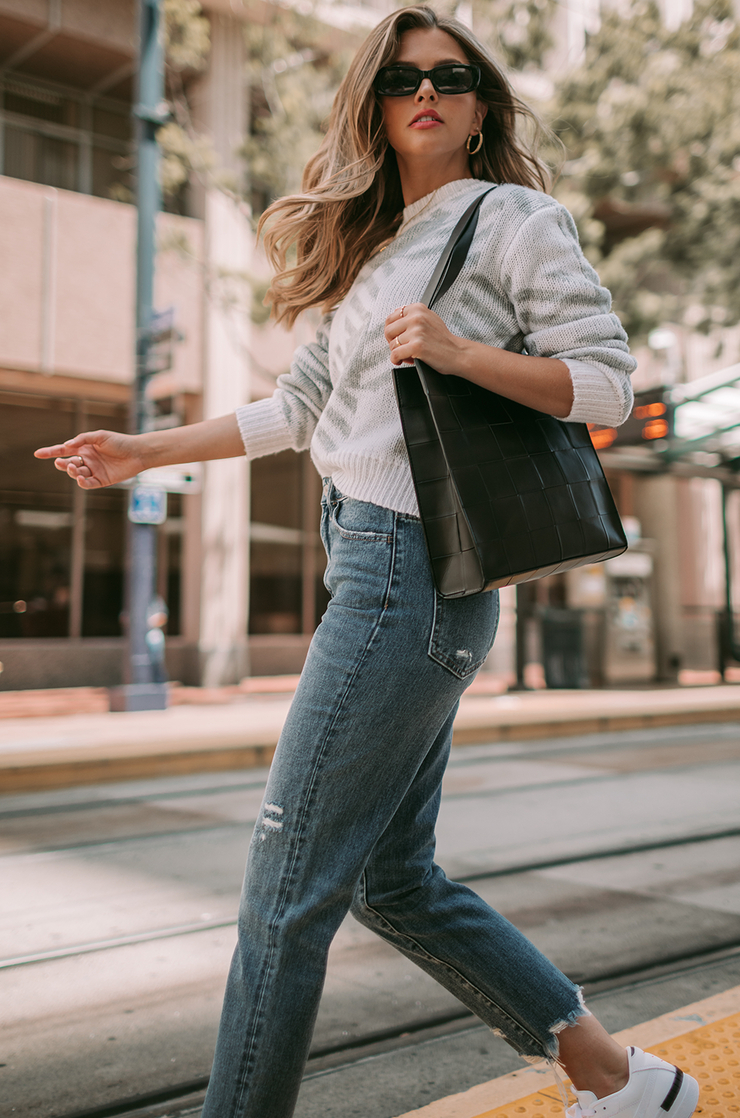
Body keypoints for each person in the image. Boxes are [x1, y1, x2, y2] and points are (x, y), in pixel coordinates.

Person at [35, 8, 699, 1118]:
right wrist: (143, 446)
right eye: (401, 78)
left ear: (480, 103)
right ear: (377, 105)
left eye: (449, 75)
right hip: (374, 564)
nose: (425, 91)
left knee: (282, 896)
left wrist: (458, 351)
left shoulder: (512, 218)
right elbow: (298, 409)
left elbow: (605, 387)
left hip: (407, 570)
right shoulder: (379, 246)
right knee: (393, 882)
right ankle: (624, 1082)